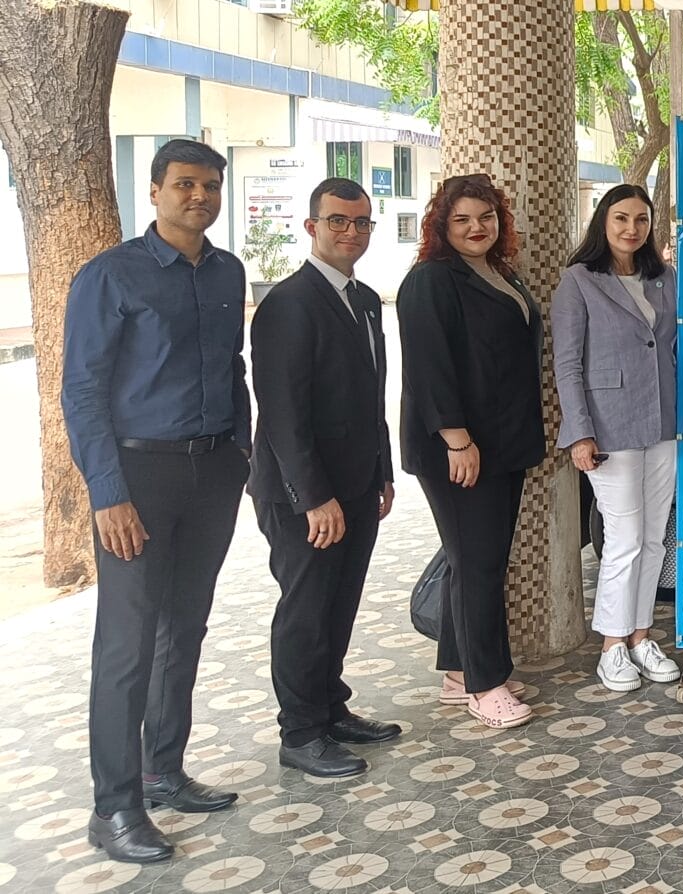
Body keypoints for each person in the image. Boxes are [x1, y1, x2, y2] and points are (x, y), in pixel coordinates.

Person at [62, 139, 250, 863]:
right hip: (138, 478)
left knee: (185, 628)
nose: (199, 196)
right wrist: (107, 493)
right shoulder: (111, 275)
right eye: (184, 184)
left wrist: (242, 454)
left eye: (210, 186)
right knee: (127, 643)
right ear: (154, 191)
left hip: (211, 474)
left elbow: (232, 368)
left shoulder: (227, 271)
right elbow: (82, 391)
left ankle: (163, 770)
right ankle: (114, 808)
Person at [250, 177, 402, 780]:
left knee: (340, 603)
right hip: (304, 495)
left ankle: (330, 708)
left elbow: (370, 394)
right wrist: (313, 497)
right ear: (312, 227)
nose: (350, 232)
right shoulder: (288, 303)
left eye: (361, 222)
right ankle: (301, 732)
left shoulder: (364, 300)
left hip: (358, 484)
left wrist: (381, 470)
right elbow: (282, 412)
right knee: (306, 610)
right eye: (338, 221)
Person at [396, 173, 546, 731]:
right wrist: (456, 439)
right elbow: (429, 367)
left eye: (486, 217)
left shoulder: (499, 272)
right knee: (478, 564)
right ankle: (487, 685)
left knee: (477, 561)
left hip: (502, 442)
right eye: (461, 219)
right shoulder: (431, 280)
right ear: (442, 225)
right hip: (460, 449)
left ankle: (460, 672)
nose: (476, 228)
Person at [552, 185, 683, 693]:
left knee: (653, 539)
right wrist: (579, 433)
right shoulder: (579, 281)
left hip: (663, 422)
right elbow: (567, 364)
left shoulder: (663, 277)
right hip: (610, 428)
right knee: (624, 539)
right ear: (603, 222)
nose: (632, 229)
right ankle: (612, 646)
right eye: (622, 218)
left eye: (641, 220)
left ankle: (641, 637)